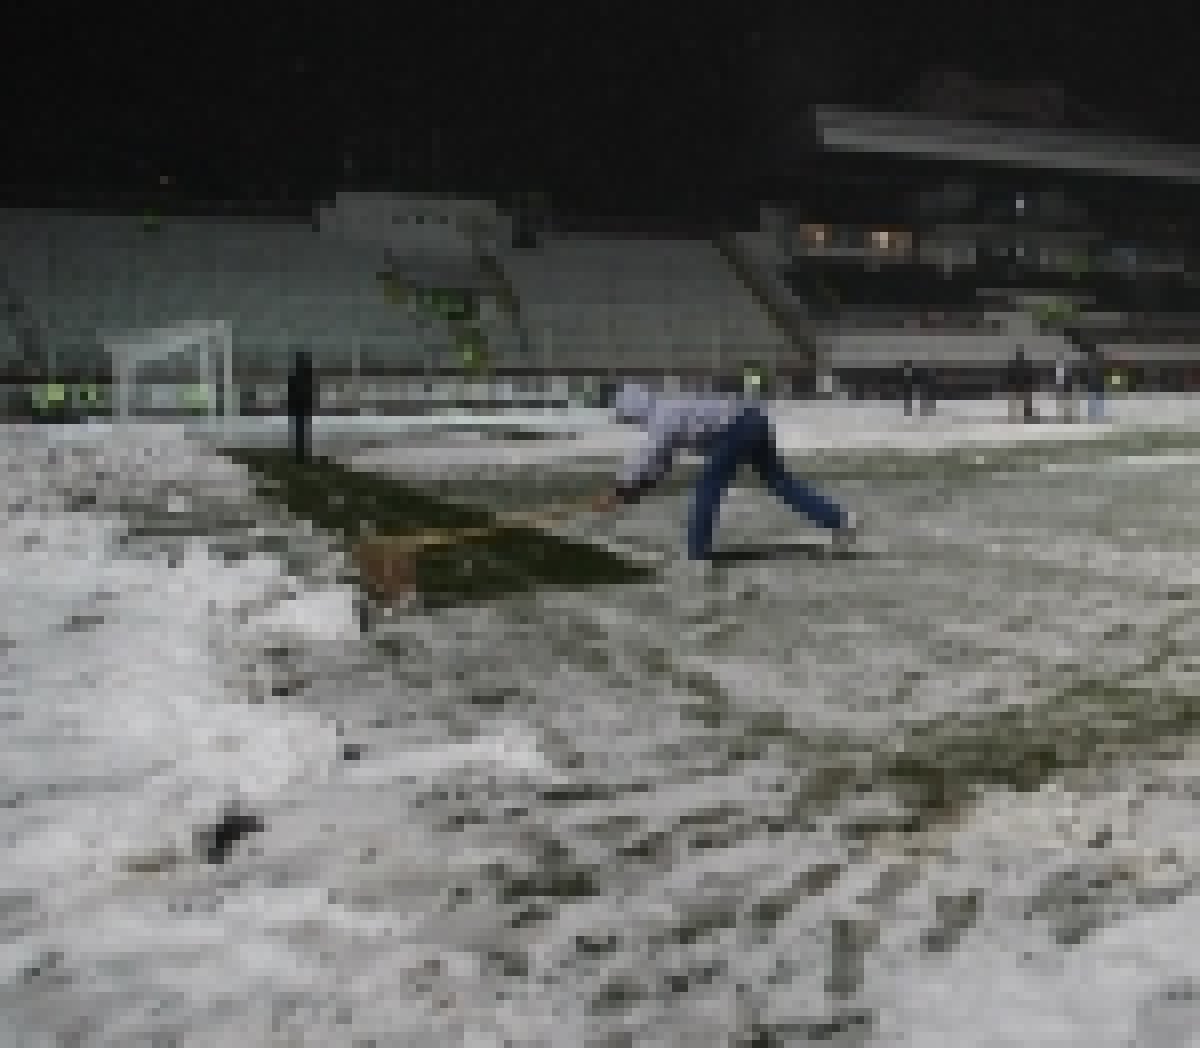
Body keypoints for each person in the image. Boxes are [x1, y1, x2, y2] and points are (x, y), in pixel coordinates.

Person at [590, 382, 857, 561]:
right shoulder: (666, 409)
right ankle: (840, 521)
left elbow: (647, 455)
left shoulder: (662, 415)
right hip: (756, 420)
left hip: (738, 427)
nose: (630, 422)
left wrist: (620, 490)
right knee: (780, 482)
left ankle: (696, 552)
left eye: (627, 417)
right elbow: (661, 462)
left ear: (633, 409)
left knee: (709, 484)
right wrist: (635, 491)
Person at [286, 349, 316, 462]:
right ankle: (302, 451)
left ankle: (299, 451)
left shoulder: (295, 375)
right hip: (303, 405)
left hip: (299, 405)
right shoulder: (307, 376)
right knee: (302, 430)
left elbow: (292, 390)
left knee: (298, 430)